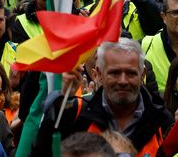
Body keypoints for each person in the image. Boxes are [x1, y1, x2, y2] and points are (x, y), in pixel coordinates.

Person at [34, 39, 173, 156]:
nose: (123, 81)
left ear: (142, 75)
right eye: (114, 73)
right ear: (98, 74)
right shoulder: (77, 113)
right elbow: (42, 153)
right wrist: (60, 106)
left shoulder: (161, 120)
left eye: (131, 73)